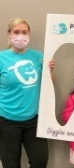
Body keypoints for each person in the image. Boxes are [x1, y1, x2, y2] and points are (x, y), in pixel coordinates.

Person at [0, 18, 54, 168]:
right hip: (7, 121)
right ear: (9, 34)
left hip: (34, 120)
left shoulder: (39, 57)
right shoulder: (1, 58)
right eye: (16, 32)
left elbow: (49, 85)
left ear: (29, 34)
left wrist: (49, 71)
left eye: (24, 32)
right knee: (10, 164)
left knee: (40, 161)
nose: (20, 36)